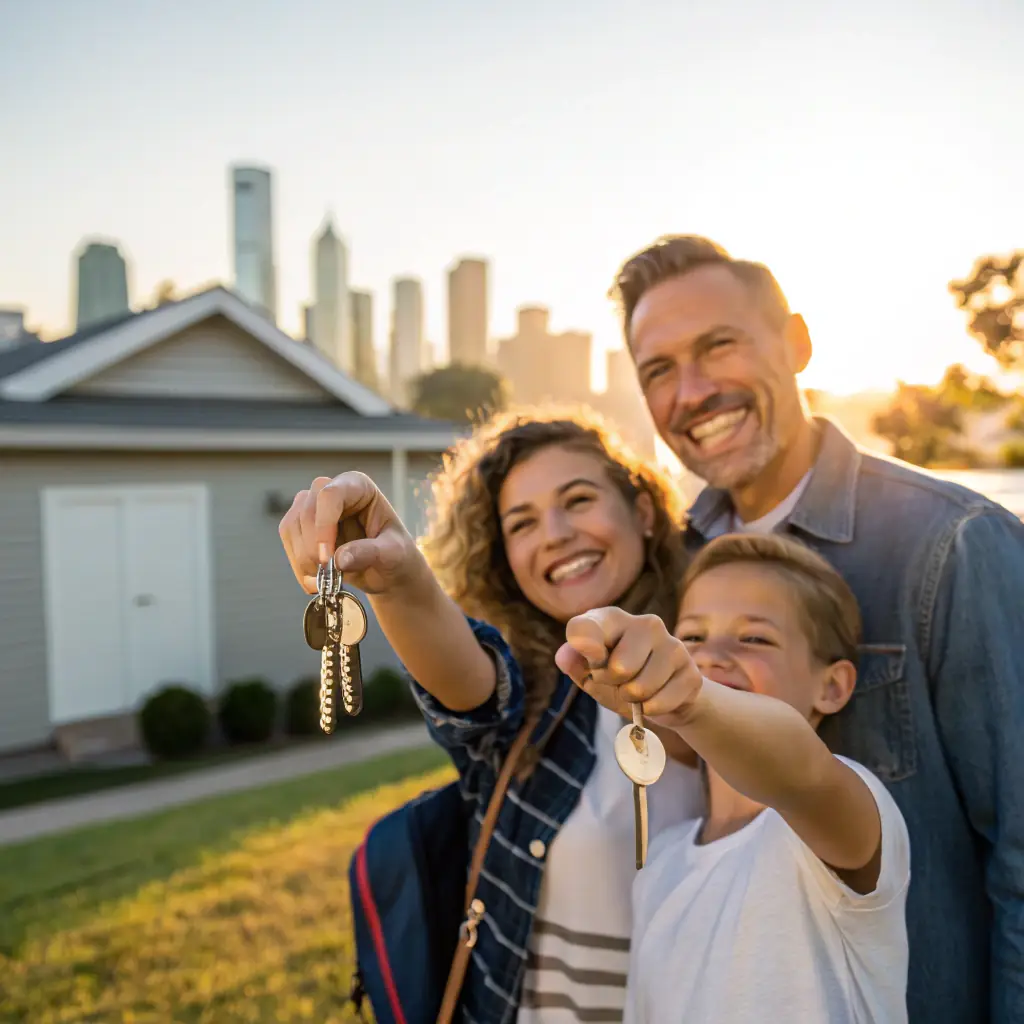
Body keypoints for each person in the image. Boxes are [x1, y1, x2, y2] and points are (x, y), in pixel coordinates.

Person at [608, 233, 1024, 1023]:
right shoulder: (669, 562)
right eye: (658, 370)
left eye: (717, 346)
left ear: (797, 343)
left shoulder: (954, 543)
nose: (691, 392)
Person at [278, 408, 704, 1024]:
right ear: (505, 558)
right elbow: (469, 682)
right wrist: (398, 580)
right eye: (522, 524)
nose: (554, 534)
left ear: (641, 511)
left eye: (578, 500)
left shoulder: (727, 656)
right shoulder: (531, 691)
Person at [556, 531, 912, 1024]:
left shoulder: (840, 816)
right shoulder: (660, 863)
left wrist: (688, 699)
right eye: (693, 637)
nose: (712, 655)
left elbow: (799, 768)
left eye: (754, 638)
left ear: (832, 686)